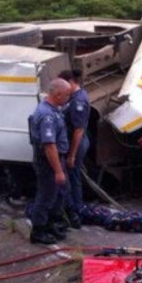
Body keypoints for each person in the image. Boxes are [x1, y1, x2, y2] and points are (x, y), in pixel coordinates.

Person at [27, 78, 72, 244]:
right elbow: (49, 146)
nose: (69, 98)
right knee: (46, 196)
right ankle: (38, 231)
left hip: (56, 159)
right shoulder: (47, 115)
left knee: (59, 193)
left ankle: (51, 223)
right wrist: (58, 171)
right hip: (49, 162)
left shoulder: (54, 109)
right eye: (67, 94)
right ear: (58, 95)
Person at [58, 69, 90, 229]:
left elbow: (78, 130)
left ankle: (76, 211)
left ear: (70, 82)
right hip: (73, 143)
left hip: (76, 144)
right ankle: (75, 209)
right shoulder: (74, 97)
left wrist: (71, 155)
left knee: (73, 177)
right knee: (72, 176)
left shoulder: (78, 101)